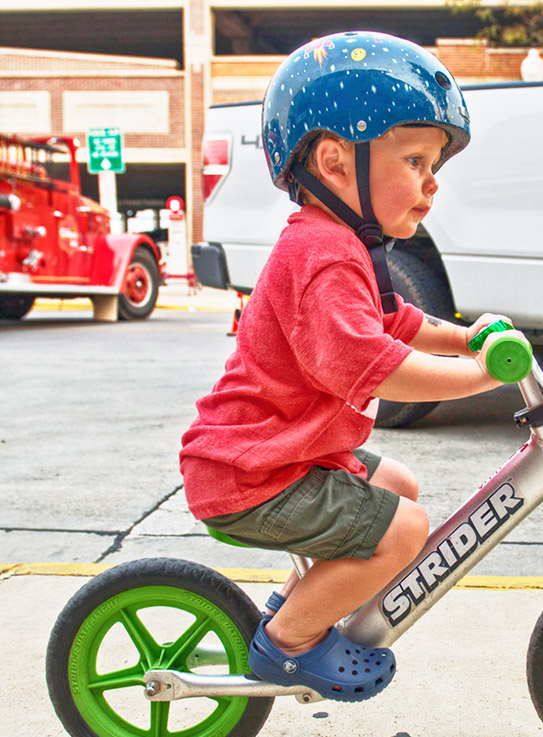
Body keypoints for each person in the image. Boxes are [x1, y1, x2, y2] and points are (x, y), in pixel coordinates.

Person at [180, 31, 517, 702]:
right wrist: (482, 378)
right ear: (336, 163)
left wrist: (465, 339)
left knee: (401, 485)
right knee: (406, 531)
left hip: (280, 452)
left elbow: (393, 320)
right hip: (254, 471)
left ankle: (290, 607)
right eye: (416, 159)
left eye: (435, 164)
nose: (432, 183)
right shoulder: (323, 256)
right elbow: (373, 363)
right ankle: (290, 646)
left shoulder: (342, 246)